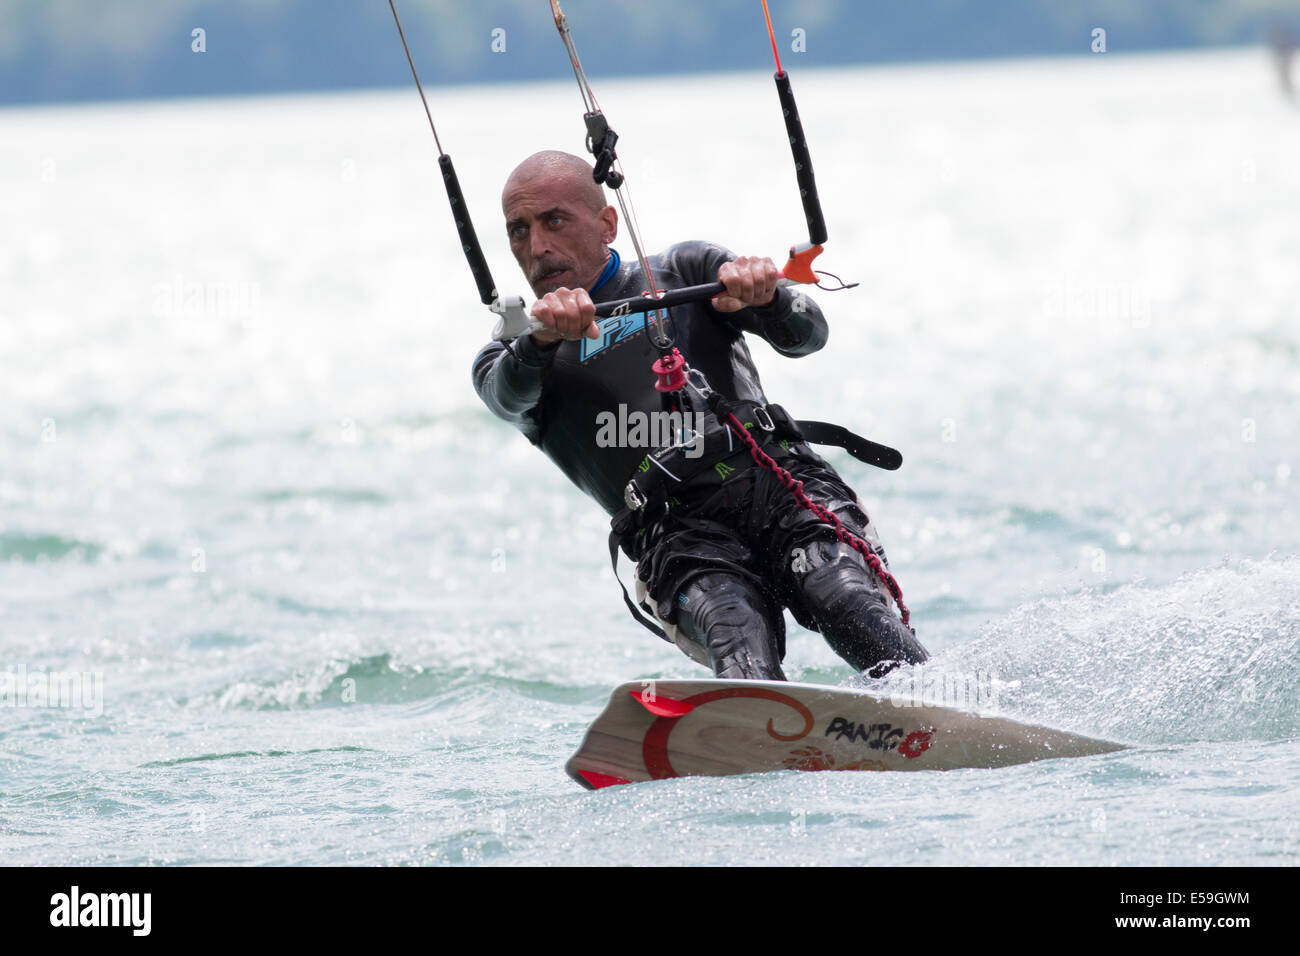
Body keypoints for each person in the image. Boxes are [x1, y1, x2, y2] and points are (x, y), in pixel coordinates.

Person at [472, 150, 929, 680]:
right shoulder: (514, 357)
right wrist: (542, 337)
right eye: (518, 231)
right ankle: (768, 733)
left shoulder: (687, 269)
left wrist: (769, 297)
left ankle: (941, 705)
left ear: (606, 223)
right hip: (677, 536)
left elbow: (808, 337)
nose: (538, 247)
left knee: (842, 598)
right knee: (737, 639)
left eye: (554, 221)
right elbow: (506, 397)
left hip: (782, 487)